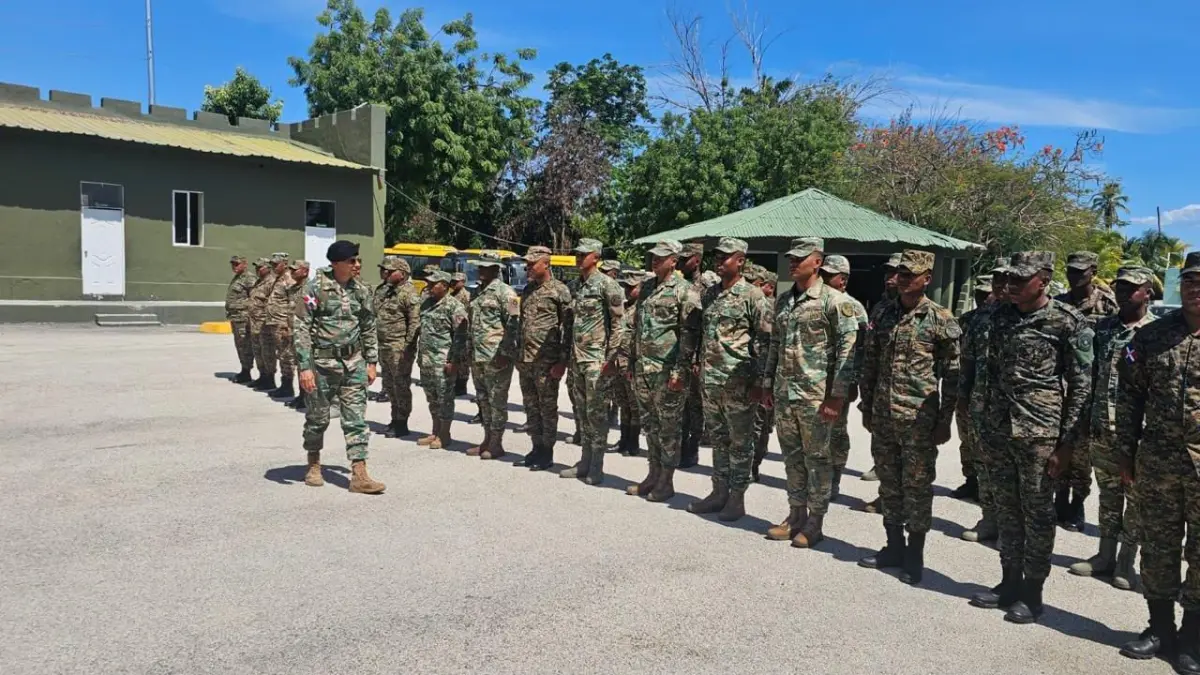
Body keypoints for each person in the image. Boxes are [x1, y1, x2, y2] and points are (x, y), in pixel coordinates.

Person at [970, 251, 1092, 625]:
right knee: (1006, 509)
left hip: (1041, 434)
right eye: (1009, 279)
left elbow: (1083, 387)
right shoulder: (995, 316)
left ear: (1043, 280)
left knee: (1038, 514)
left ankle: (1033, 592)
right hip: (998, 430)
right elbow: (980, 371)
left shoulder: (1068, 322)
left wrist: (1067, 444)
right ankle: (1008, 582)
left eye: (1021, 280)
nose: (1012, 286)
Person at [1114, 252, 1200, 668]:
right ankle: (1159, 629)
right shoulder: (1152, 337)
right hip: (1159, 463)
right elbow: (1129, 397)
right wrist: (1125, 452)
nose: (1195, 289)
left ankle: (1192, 637)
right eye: (1189, 281)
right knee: (1158, 548)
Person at [857, 250, 960, 584]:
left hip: (919, 420)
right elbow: (870, 362)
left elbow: (954, 373)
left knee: (916, 487)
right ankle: (892, 546)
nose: (901, 279)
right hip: (884, 416)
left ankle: (914, 555)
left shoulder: (940, 319)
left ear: (926, 278)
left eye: (909, 274)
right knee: (889, 483)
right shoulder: (883, 312)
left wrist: (945, 419)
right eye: (899, 273)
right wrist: (867, 405)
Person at [758, 238, 858, 546]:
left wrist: (837, 397)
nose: (793, 262)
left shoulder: (834, 301)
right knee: (792, 458)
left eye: (800, 257)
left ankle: (815, 521)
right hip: (785, 393)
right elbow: (774, 346)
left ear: (817, 262)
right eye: (791, 257)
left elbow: (847, 351)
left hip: (816, 397)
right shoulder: (785, 301)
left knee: (817, 459)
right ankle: (795, 514)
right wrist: (766, 384)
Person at [1069, 266, 1156, 587]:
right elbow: (1087, 376)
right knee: (1108, 495)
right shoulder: (1103, 329)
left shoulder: (1157, 333)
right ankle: (1104, 555)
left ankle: (1125, 562)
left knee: (1136, 500)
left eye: (1132, 287)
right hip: (1102, 428)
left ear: (1148, 292)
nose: (1123, 291)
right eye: (1120, 286)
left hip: (1140, 434)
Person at [686, 238, 772, 522]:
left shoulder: (753, 296)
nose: (719, 261)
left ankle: (737, 498)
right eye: (717, 257)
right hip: (711, 382)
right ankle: (718, 492)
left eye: (726, 257)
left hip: (739, 384)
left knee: (740, 442)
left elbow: (764, 340)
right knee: (719, 440)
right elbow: (701, 333)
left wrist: (760, 381)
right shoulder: (710, 294)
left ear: (740, 261)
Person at [293, 240, 385, 494]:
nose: (357, 265)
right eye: (351, 261)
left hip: (353, 363)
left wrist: (372, 362)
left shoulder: (361, 291)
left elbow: (368, 327)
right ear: (336, 264)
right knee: (318, 419)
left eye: (357, 260)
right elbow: (301, 327)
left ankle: (359, 473)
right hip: (321, 365)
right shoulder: (314, 289)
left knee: (356, 418)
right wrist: (304, 367)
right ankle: (313, 463)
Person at [628, 240, 701, 500]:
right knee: (650, 425)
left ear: (674, 260)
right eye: (653, 257)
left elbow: (689, 335)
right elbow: (638, 327)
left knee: (669, 427)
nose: (654, 260)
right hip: (644, 369)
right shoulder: (647, 287)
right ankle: (653, 473)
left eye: (661, 257)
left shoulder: (685, 291)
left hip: (667, 371)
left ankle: (666, 481)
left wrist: (680, 372)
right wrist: (631, 362)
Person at [1053, 250, 1119, 531]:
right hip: (1060, 387)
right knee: (1057, 443)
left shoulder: (1108, 306)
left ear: (1093, 271)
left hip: (1091, 389)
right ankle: (1059, 497)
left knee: (1081, 452)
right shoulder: (1058, 304)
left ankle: (1077, 501)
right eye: (1071, 271)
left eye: (1081, 271)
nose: (1075, 276)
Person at [560, 238, 625, 485]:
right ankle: (584, 460)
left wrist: (611, 359)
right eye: (577, 254)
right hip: (578, 359)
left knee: (597, 415)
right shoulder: (576, 285)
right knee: (582, 413)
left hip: (597, 361)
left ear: (595, 257)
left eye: (583, 254)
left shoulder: (608, 286)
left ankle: (596, 466)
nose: (578, 257)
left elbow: (619, 325)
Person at [959, 258, 1012, 544]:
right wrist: (962, 398)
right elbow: (967, 362)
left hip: (1018, 413)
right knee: (985, 465)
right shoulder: (980, 318)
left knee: (1013, 473)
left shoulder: (1027, 317)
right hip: (982, 405)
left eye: (1008, 281)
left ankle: (1010, 528)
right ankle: (989, 518)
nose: (1002, 287)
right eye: (997, 281)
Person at [515, 246, 572, 471]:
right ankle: (536, 446)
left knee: (547, 408)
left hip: (547, 361)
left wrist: (562, 361)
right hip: (526, 360)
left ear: (546, 264)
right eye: (527, 263)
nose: (527, 267)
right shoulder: (528, 290)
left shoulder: (560, 291)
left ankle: (547, 452)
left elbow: (568, 329)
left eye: (532, 263)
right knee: (531, 406)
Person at [816, 254, 869, 498]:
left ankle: (835, 477)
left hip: (838, 381)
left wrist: (851, 382)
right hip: (814, 381)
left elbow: (857, 351)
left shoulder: (852, 307)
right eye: (822, 275)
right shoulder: (816, 301)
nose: (824, 280)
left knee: (836, 431)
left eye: (830, 276)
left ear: (843, 280)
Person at [466, 252, 520, 460]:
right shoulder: (477, 292)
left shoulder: (507, 293)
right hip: (478, 357)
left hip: (496, 357)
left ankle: (497, 443)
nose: (480, 270)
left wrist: (506, 353)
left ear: (496, 269)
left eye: (485, 267)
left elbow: (514, 325)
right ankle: (486, 439)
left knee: (497, 401)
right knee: (483, 400)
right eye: (479, 266)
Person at [950, 277, 995, 502]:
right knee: (966, 438)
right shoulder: (966, 321)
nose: (983, 298)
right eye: (979, 293)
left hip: (988, 394)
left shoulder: (999, 320)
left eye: (987, 293)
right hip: (968, 388)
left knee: (984, 443)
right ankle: (971, 480)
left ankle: (987, 489)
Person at [861, 251, 902, 490]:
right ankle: (881, 467)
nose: (891, 277)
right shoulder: (880, 307)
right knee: (880, 435)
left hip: (907, 391)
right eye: (888, 271)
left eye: (896, 272)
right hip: (879, 385)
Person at [416, 270, 469, 450]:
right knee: (432, 398)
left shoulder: (454, 307)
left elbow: (461, 336)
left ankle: (444, 434)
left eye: (433, 284)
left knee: (445, 398)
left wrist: (454, 361)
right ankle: (435, 430)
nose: (429, 287)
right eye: (429, 283)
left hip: (443, 360)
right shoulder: (426, 304)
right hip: (426, 359)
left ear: (445, 286)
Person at [680, 241, 716, 468]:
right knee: (680, 405)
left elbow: (707, 324)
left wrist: (697, 358)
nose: (682, 263)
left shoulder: (706, 286)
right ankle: (680, 447)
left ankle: (692, 449)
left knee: (695, 405)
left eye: (686, 259)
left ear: (697, 260)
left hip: (696, 355)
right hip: (680, 352)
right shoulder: (678, 284)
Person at [375, 257, 421, 436]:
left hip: (399, 348)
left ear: (402, 274)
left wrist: (407, 348)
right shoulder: (384, 291)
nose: (385, 273)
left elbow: (415, 323)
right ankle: (394, 418)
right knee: (389, 384)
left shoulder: (408, 294)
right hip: (384, 346)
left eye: (390, 270)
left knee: (400, 385)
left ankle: (402, 422)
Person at [611, 270, 646, 457]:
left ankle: (633, 442)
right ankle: (624, 439)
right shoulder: (622, 307)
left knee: (634, 404)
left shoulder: (642, 309)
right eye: (626, 286)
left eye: (633, 287)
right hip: (618, 362)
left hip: (632, 363)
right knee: (622, 402)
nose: (628, 290)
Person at [265, 253, 297, 399]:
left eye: (275, 264)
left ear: (284, 264)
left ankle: (288, 386)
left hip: (283, 324)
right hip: (274, 323)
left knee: (286, 355)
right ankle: (284, 384)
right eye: (271, 264)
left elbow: (293, 303)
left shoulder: (289, 279)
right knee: (281, 355)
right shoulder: (277, 279)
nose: (273, 267)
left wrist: (288, 325)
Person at [225, 255, 257, 383]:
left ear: (244, 264)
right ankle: (244, 370)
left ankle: (247, 371)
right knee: (240, 345)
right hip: (236, 318)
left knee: (245, 345)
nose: (234, 266)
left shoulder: (249, 279)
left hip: (244, 318)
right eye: (233, 264)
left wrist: (238, 306)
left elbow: (255, 298)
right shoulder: (237, 278)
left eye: (237, 264)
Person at [286, 260, 312, 410]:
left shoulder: (310, 289)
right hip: (294, 332)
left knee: (306, 365)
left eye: (295, 270)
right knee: (299, 364)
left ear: (305, 271)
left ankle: (308, 397)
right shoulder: (294, 289)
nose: (292, 272)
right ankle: (302, 395)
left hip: (305, 334)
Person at [248, 256, 277, 390]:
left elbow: (273, 303)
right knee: (258, 351)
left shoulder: (272, 282)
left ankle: (270, 379)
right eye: (256, 267)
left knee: (267, 352)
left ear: (268, 268)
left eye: (260, 267)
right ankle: (262, 376)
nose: (257, 269)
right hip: (254, 323)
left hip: (264, 324)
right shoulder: (258, 282)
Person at [370, 259, 395, 404]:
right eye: (381, 269)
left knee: (393, 367)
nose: (382, 272)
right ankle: (385, 389)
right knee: (384, 364)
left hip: (394, 336)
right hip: (380, 333)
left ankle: (391, 391)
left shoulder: (399, 289)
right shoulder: (380, 289)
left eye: (385, 269)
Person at [450, 272, 473, 399]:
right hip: (454, 331)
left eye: (456, 281)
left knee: (463, 360)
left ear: (463, 282)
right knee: (455, 357)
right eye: (452, 281)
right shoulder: (452, 295)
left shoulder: (467, 296)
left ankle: (461, 385)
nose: (453, 283)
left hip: (464, 331)